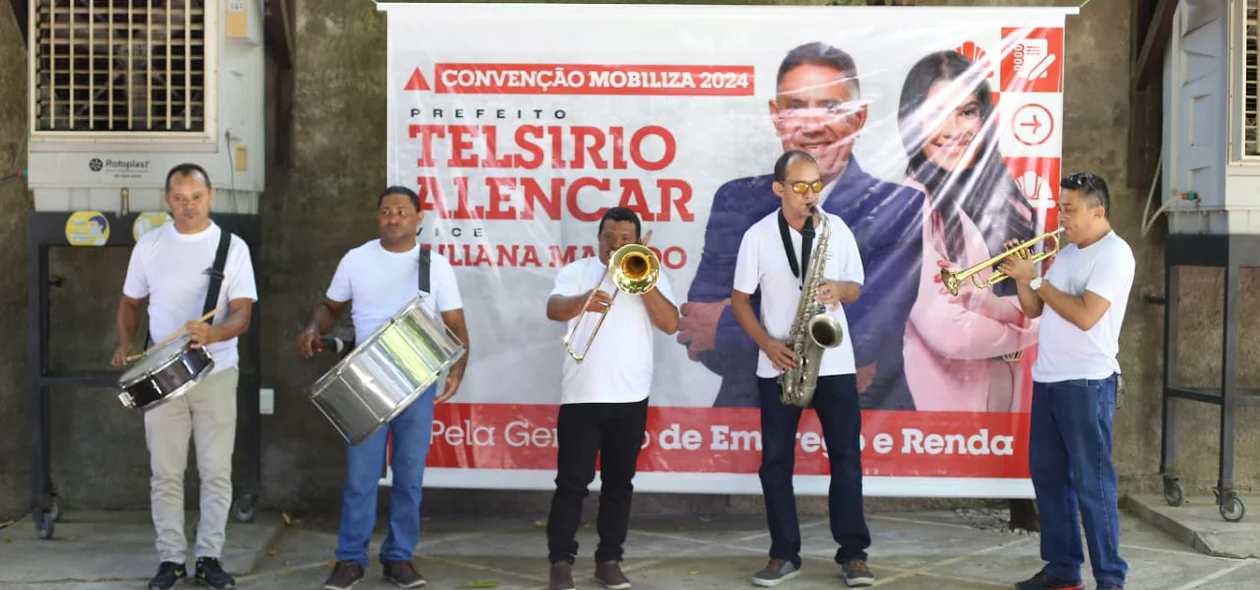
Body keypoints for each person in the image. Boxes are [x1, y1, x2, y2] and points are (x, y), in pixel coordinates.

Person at [680, 40, 924, 410]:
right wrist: (836, 351)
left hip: (869, 417)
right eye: (796, 107)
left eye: (831, 106)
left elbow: (867, 336)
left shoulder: (900, 206)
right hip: (751, 408)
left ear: (858, 118)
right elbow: (699, 335)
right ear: (777, 116)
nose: (812, 126)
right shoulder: (736, 199)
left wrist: (729, 325)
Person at [298, 185, 470, 590]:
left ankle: (399, 558)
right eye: (386, 211)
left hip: (418, 379)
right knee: (361, 478)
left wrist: (458, 369)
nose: (393, 218)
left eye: (401, 211)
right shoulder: (356, 259)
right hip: (366, 380)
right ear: (378, 217)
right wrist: (311, 327)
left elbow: (456, 325)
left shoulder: (435, 265)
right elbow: (330, 308)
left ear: (418, 217)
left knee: (409, 476)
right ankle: (350, 559)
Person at [731, 151, 874, 588]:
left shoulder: (836, 229)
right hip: (780, 360)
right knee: (775, 462)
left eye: (815, 185)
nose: (810, 194)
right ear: (779, 189)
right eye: (800, 186)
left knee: (846, 459)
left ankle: (853, 554)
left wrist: (838, 290)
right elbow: (740, 300)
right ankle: (783, 553)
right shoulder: (758, 236)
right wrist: (768, 345)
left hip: (834, 361)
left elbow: (856, 286)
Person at [112, 163, 258, 590]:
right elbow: (129, 303)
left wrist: (215, 332)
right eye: (179, 198)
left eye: (195, 197)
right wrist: (125, 342)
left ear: (210, 197)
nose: (188, 206)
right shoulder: (151, 245)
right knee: (166, 472)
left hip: (216, 371)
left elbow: (243, 313)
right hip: (163, 378)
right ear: (167, 201)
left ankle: (209, 556)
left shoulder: (232, 247)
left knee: (215, 471)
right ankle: (171, 559)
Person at [997, 172, 1133, 590]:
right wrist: (1024, 277)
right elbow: (1037, 309)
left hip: (1087, 385)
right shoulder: (1070, 252)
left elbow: (1085, 314)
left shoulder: (1114, 254)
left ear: (1099, 211)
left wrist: (1036, 277)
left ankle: (1110, 578)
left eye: (1069, 210)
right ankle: (1062, 569)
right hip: (1051, 380)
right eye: (1060, 208)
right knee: (1050, 481)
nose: (1061, 218)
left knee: (1094, 487)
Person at [895, 49, 1040, 412]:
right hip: (949, 410)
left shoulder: (1011, 202)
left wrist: (1004, 308)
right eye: (936, 114)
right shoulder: (911, 204)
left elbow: (1017, 293)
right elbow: (948, 329)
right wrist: (1028, 332)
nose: (954, 130)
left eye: (967, 112)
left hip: (1014, 405)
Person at [543, 207, 680, 590]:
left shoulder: (649, 272)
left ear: (635, 241)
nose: (615, 244)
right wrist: (585, 299)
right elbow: (553, 309)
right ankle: (560, 562)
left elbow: (670, 324)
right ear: (598, 238)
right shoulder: (577, 272)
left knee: (619, 483)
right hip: (581, 398)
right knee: (572, 483)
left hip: (630, 397)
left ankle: (609, 559)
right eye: (608, 237)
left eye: (624, 239)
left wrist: (642, 278)